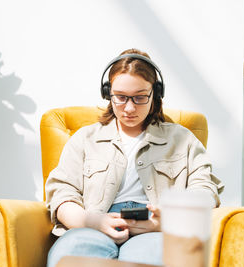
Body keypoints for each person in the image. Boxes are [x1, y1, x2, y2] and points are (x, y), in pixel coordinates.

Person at [45, 48, 224, 267]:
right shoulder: (85, 138)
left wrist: (166, 221)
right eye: (120, 97)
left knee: (155, 258)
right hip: (93, 224)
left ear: (156, 93)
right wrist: (92, 221)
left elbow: (205, 192)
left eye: (140, 97)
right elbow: (61, 194)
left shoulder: (182, 139)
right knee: (70, 256)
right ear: (107, 93)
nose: (129, 108)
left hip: (154, 230)